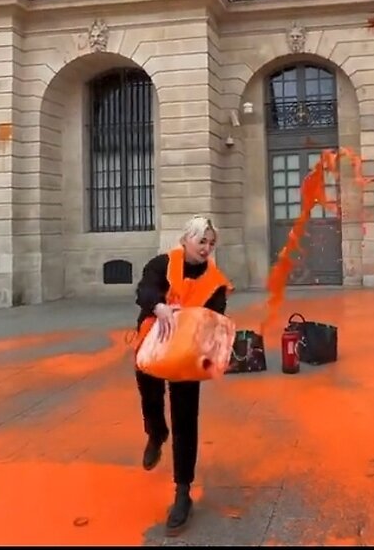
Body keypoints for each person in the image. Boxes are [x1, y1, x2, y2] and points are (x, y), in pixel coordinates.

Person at [133, 216, 233, 535]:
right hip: (155, 339)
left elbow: (215, 317)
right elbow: (145, 289)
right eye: (201, 241)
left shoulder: (216, 282)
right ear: (186, 240)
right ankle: (156, 431)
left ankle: (182, 491)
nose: (206, 248)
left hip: (187, 354)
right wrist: (160, 307)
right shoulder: (162, 264)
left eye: (211, 243)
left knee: (186, 418)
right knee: (148, 385)